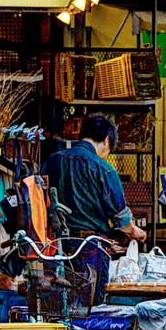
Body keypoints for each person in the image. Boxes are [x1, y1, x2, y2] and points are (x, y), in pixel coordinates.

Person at [41, 114, 147, 304]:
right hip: (90, 249)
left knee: (57, 305)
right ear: (107, 140)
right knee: (90, 307)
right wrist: (134, 231)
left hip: (54, 247)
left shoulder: (53, 161)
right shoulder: (104, 169)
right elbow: (120, 218)